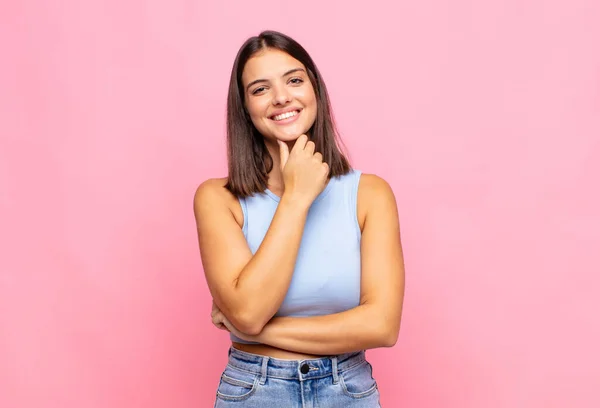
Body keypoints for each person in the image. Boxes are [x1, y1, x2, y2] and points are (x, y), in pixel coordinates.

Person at [193, 30, 405, 407]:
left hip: (347, 391)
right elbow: (248, 311)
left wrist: (252, 330)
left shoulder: (370, 194)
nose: (281, 97)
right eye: (260, 89)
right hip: (255, 391)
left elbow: (382, 326)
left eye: (294, 80)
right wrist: (296, 197)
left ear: (315, 91)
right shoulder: (217, 199)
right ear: (244, 107)